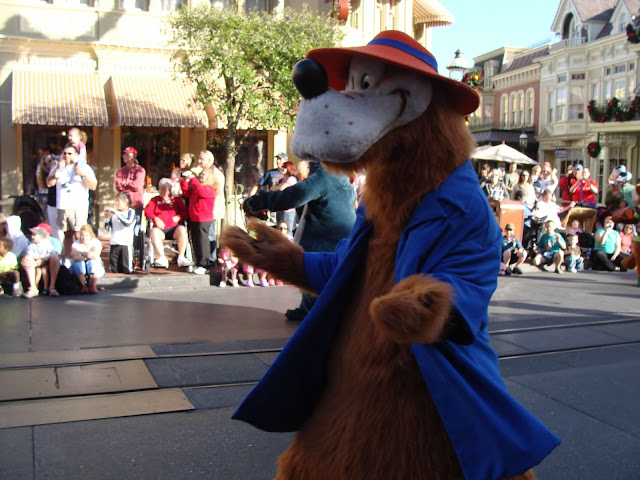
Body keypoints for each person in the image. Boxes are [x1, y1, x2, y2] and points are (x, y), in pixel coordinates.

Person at [244, 161, 356, 321]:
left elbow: (294, 196)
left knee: (312, 271)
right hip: (342, 234)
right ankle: (311, 309)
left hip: (324, 236)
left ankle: (314, 314)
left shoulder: (323, 176)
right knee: (327, 273)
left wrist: (259, 201)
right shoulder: (342, 176)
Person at [46, 144, 97, 260]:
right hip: (62, 205)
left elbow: (93, 186)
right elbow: (49, 183)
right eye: (64, 153)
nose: (66, 156)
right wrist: (58, 169)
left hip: (78, 206)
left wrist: (82, 174)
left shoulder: (84, 167)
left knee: (78, 234)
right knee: (65, 235)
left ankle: (81, 257)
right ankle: (68, 259)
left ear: (76, 155)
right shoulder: (58, 167)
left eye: (70, 154)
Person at [143, 178, 191, 269]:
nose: (162, 191)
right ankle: (162, 258)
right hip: (161, 229)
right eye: (161, 189)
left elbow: (185, 212)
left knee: (182, 229)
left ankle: (181, 256)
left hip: (174, 228)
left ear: (169, 189)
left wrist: (178, 217)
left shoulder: (176, 199)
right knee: (154, 231)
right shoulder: (155, 200)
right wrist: (155, 218)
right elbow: (147, 211)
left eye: (164, 189)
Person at [180, 168, 216, 275]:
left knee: (202, 241)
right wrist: (184, 181)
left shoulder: (209, 188)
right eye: (200, 174)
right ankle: (198, 262)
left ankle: (204, 264)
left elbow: (201, 192)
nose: (201, 176)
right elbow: (187, 193)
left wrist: (193, 179)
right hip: (194, 217)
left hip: (203, 218)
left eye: (203, 174)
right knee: (195, 241)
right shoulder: (197, 186)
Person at [115, 146, 146, 265]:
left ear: (133, 156)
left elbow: (137, 185)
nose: (125, 157)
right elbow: (118, 186)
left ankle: (136, 255)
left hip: (136, 204)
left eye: (128, 155)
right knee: (123, 229)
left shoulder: (140, 170)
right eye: (124, 154)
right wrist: (128, 185)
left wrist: (126, 183)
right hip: (123, 206)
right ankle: (124, 256)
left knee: (136, 230)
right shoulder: (120, 171)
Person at [21, 224, 60, 298]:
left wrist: (43, 259)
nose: (32, 236)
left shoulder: (47, 244)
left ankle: (52, 287)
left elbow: (51, 252)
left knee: (55, 256)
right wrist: (36, 260)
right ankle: (33, 288)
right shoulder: (31, 245)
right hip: (35, 262)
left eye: (35, 235)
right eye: (32, 235)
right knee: (27, 258)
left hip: (46, 261)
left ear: (41, 236)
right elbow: (30, 253)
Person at [105, 192, 136, 274]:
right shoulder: (115, 215)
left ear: (125, 202)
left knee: (127, 269)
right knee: (114, 268)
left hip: (125, 244)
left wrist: (116, 212)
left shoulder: (130, 212)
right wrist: (107, 218)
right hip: (114, 243)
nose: (117, 203)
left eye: (119, 201)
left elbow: (127, 223)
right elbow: (108, 229)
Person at [69, 224, 105, 294]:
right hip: (81, 265)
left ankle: (93, 285)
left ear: (90, 235)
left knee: (92, 262)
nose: (84, 238)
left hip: (96, 267)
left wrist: (80, 253)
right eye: (82, 235)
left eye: (86, 235)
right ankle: (83, 285)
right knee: (79, 263)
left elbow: (94, 255)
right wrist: (86, 256)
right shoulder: (76, 244)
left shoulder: (95, 242)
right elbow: (73, 256)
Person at [271, 161, 298, 232]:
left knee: (287, 231)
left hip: (288, 210)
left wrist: (277, 188)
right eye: (282, 167)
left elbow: (281, 188)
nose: (282, 168)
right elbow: (271, 188)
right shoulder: (281, 180)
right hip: (279, 208)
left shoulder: (292, 179)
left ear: (289, 168)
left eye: (284, 167)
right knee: (279, 230)